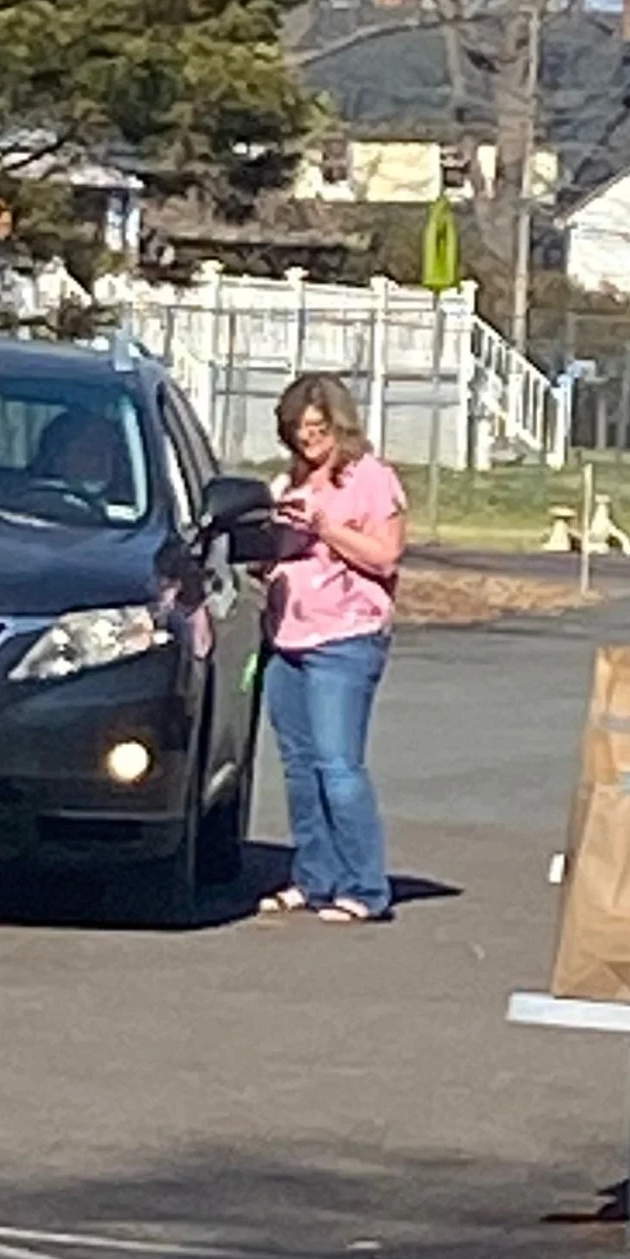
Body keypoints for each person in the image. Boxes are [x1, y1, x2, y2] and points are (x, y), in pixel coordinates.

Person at [257, 372, 407, 927]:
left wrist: (324, 526)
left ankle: (365, 887)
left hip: (345, 638)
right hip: (286, 639)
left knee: (339, 766)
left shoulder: (371, 478)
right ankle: (314, 876)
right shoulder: (288, 483)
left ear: (338, 425)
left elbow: (385, 555)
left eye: (317, 428)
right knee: (300, 769)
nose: (308, 439)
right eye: (298, 429)